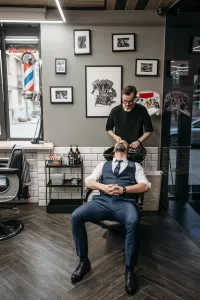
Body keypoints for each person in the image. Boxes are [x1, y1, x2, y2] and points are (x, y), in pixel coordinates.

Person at [71, 140, 151, 295]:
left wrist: (123, 189)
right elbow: (89, 181)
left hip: (125, 203)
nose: (120, 141)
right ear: (113, 150)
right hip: (102, 202)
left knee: (133, 221)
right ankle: (83, 261)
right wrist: (103, 187)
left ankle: (129, 269)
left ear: (127, 149)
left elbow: (145, 186)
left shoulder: (136, 166)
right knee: (76, 216)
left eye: (123, 141)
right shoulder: (103, 165)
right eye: (118, 141)